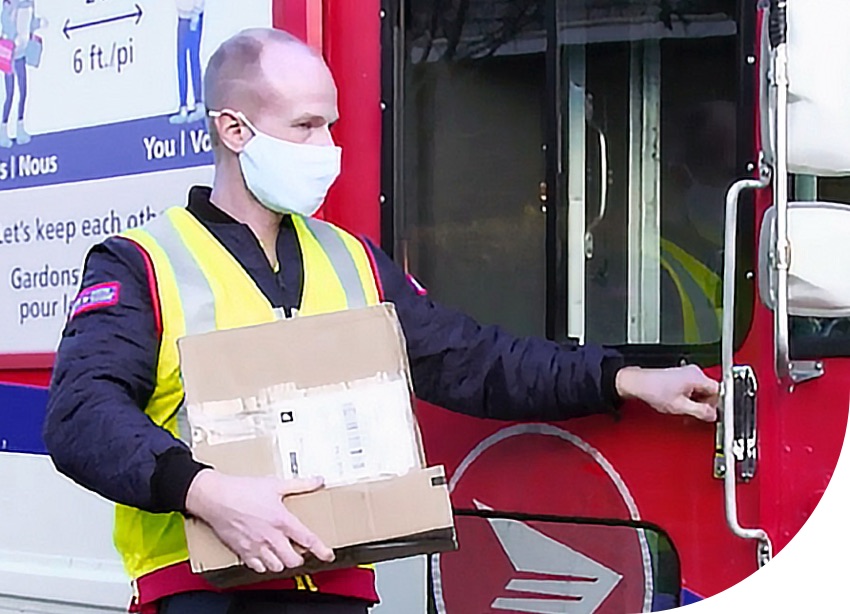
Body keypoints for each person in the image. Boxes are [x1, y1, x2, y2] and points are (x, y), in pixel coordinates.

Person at [44, 28, 719, 614]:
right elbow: (81, 416)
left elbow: (473, 361)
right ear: (233, 129)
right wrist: (209, 494)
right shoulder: (142, 264)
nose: (327, 147)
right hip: (203, 593)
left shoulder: (352, 261)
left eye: (331, 125)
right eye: (306, 127)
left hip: (337, 586)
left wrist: (624, 379)